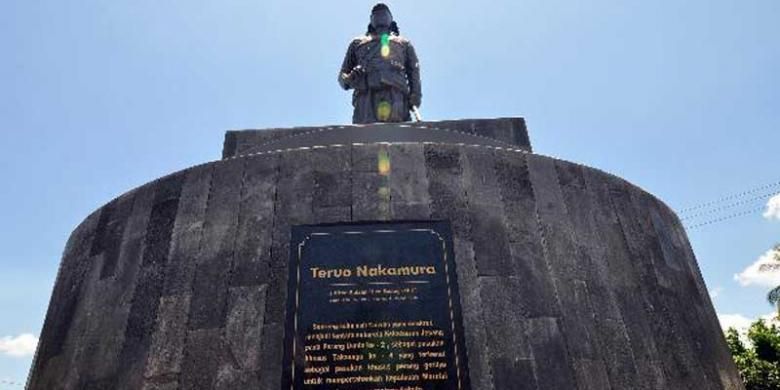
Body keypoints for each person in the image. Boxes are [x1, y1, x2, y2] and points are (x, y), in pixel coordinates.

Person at [338, 3, 422, 124]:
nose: (381, 15)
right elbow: (342, 77)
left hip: (395, 94)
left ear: (391, 19)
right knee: (366, 136)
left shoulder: (404, 43)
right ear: (371, 20)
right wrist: (350, 78)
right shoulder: (357, 43)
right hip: (365, 96)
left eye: (384, 12)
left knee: (397, 134)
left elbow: (414, 70)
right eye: (376, 13)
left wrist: (415, 96)